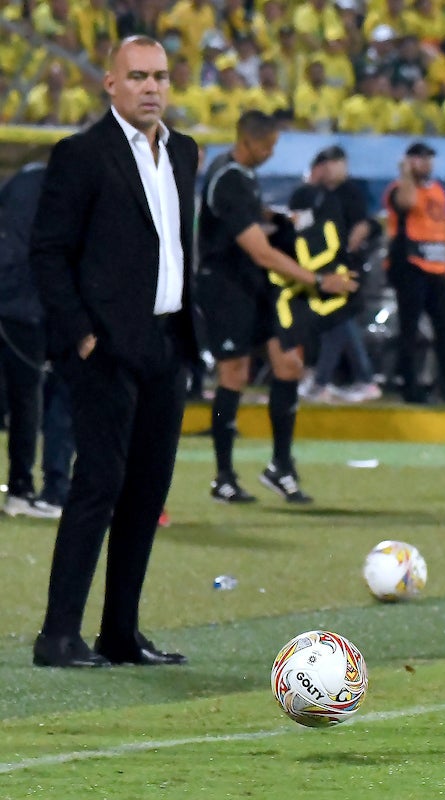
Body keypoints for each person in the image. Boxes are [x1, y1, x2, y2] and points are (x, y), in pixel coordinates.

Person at [29, 35, 201, 668]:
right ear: (110, 83)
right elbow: (48, 251)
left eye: (159, 76)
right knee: (97, 485)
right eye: (138, 76)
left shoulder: (183, 151)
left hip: (166, 342)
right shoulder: (80, 155)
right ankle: (58, 635)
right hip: (104, 346)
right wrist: (81, 333)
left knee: (146, 493)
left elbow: (177, 246)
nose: (151, 87)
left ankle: (120, 634)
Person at [197, 111, 359, 505]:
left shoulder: (241, 173)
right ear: (248, 142)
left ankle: (280, 466)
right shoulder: (229, 179)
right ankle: (223, 475)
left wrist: (282, 218)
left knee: (288, 363)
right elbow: (261, 252)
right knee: (233, 373)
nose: (271, 154)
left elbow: (255, 220)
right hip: (225, 288)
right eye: (267, 147)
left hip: (254, 286)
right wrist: (319, 280)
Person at [383, 142, 445, 405]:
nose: (425, 164)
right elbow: (407, 202)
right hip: (410, 265)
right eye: (419, 159)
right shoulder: (399, 188)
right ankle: (409, 386)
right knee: (410, 328)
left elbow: (443, 227)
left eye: (428, 159)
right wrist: (406, 173)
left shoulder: (438, 190)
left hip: (436, 266)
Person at [295, 145, 380, 403]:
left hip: (345, 266)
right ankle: (359, 379)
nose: (330, 169)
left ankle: (325, 381)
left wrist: (358, 239)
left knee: (338, 320)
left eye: (335, 163)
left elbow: (365, 226)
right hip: (325, 266)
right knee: (338, 323)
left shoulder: (351, 192)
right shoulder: (319, 194)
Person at [0, 163, 60, 519]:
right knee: (27, 401)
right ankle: (20, 489)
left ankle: (21, 488)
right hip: (29, 308)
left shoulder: (22, 180)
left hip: (13, 299)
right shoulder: (65, 190)